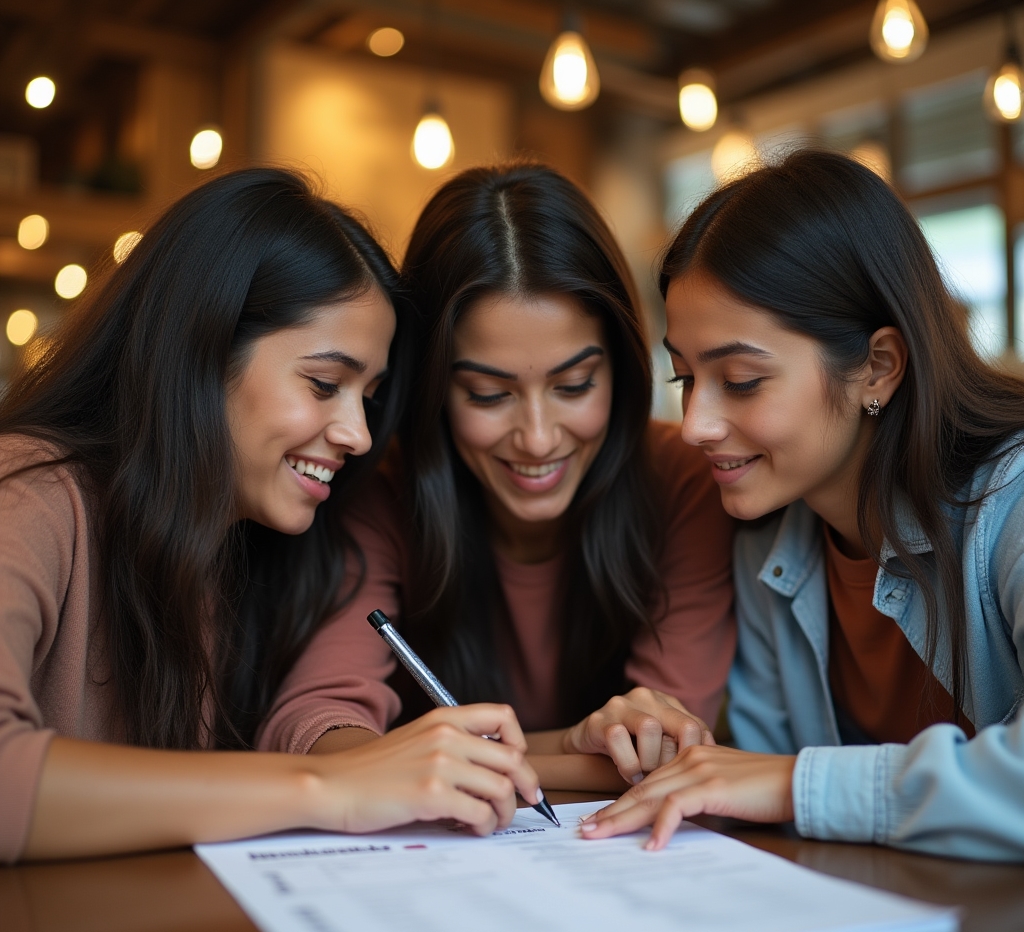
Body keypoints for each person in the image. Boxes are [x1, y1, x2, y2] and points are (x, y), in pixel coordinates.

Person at [0, 168, 541, 864]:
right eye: (324, 384)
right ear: (200, 350)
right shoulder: (30, 493)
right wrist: (327, 787)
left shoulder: (246, 554)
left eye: (369, 397)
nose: (359, 434)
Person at [583, 150, 1024, 860]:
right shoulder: (769, 541)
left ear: (878, 366)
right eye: (685, 376)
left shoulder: (1014, 502)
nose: (694, 424)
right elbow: (754, 799)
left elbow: (775, 785)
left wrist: (793, 785)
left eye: (743, 379)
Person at [260, 163, 736, 790]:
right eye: (488, 394)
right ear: (432, 389)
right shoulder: (380, 484)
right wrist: (571, 747)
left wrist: (418, 757)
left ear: (620, 371)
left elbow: (663, 753)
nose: (538, 437)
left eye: (574, 385)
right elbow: (315, 731)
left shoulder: (686, 480)